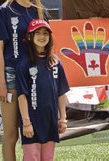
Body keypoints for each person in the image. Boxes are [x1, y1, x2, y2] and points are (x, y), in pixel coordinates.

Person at [0, 0, 46, 161]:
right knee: (11, 134)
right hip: (11, 76)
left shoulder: (38, 11)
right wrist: (1, 82)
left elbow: (45, 44)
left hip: (34, 75)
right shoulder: (5, 11)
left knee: (33, 130)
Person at [16, 19, 69, 161]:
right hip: (31, 121)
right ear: (30, 37)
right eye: (37, 33)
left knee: (48, 157)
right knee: (32, 156)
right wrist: (26, 122)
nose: (42, 36)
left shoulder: (55, 62)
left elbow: (61, 93)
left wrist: (63, 118)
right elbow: (22, 96)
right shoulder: (23, 63)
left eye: (45, 33)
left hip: (50, 120)